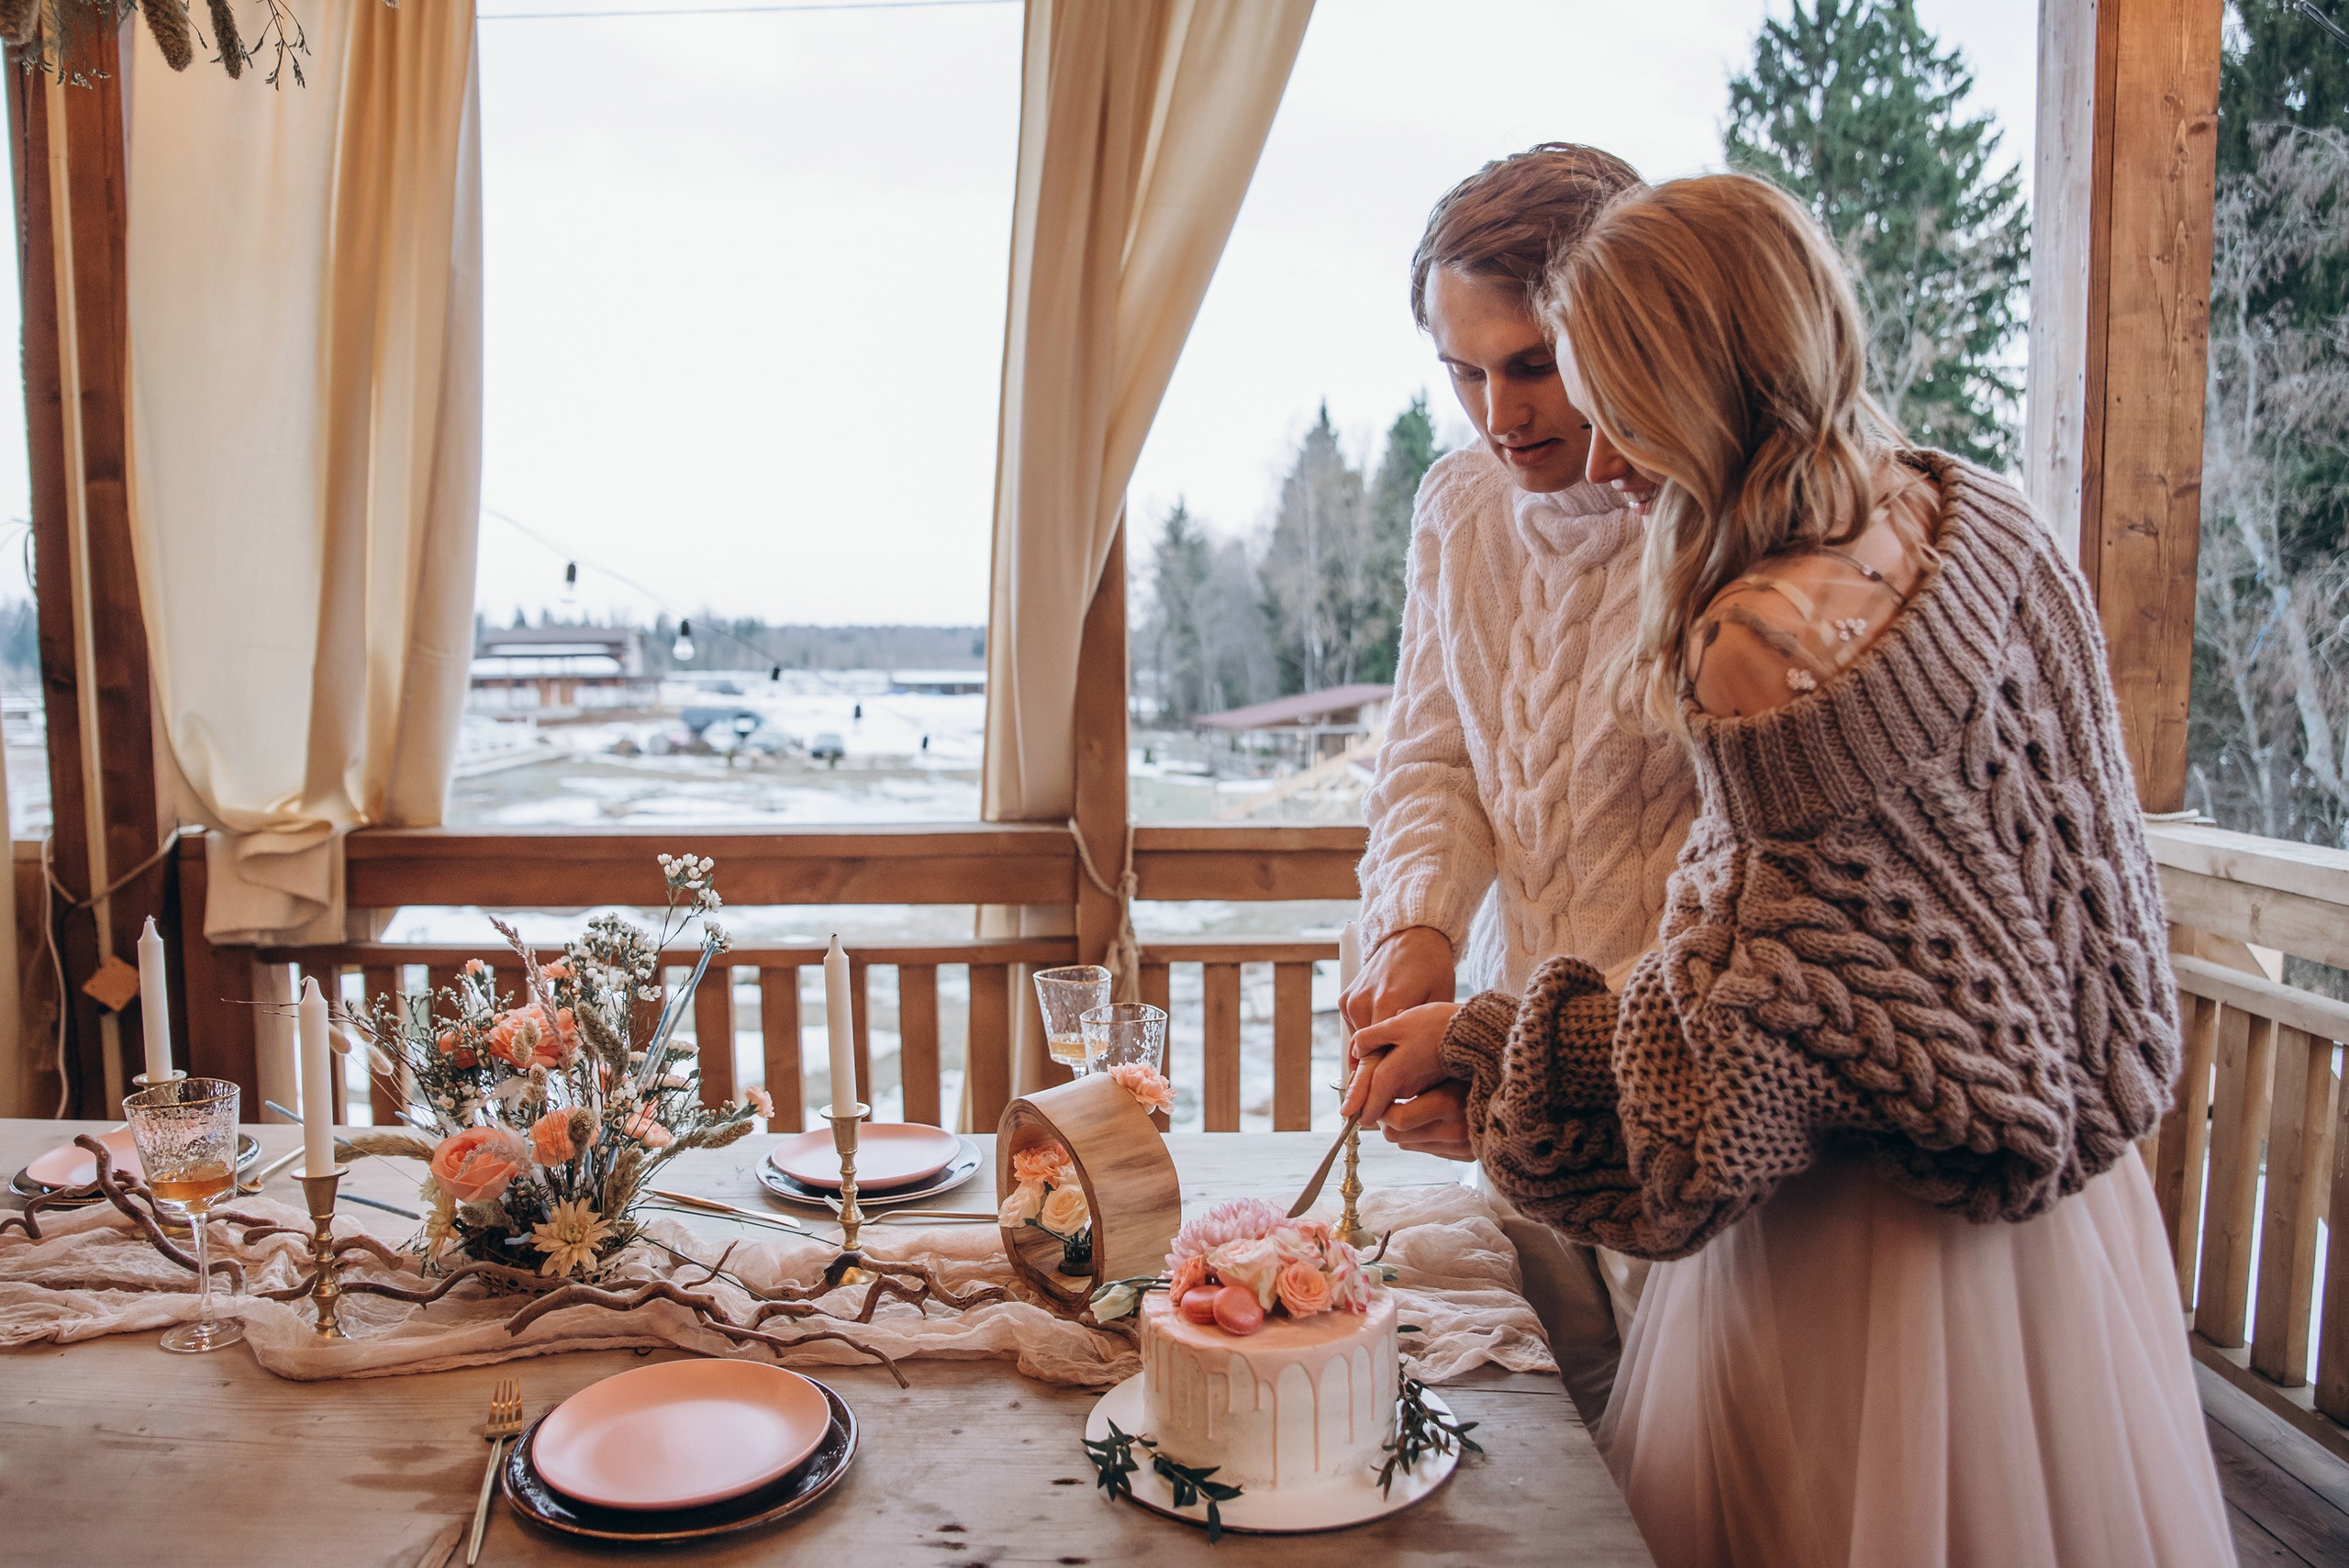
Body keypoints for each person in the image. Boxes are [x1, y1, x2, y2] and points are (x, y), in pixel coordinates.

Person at [1345, 172, 2233, 1567]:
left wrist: (1497, 1052)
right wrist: (1428, 937)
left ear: (1692, 366)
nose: (1582, 450)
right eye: (1469, 373)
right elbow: (2060, 910)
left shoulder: (1754, 637)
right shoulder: (1980, 518)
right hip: (2059, 1219)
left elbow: (1727, 1065)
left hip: (1845, 1226)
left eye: (1584, 388)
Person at [1343, 143, 1698, 1416]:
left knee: (1683, 1445)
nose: (1500, 412)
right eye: (1463, 370)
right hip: (1512, 1057)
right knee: (1549, 1414)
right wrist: (1421, 929)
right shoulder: (1457, 509)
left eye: (1531, 363)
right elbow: (1431, 758)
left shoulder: (1707, 517)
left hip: (1672, 1074)